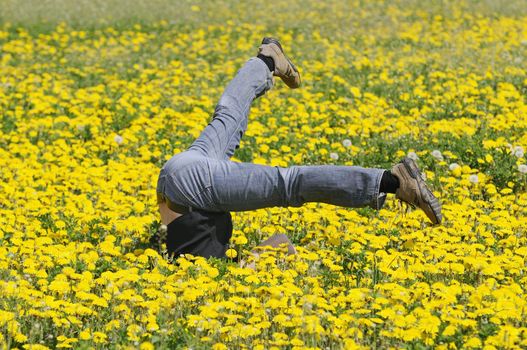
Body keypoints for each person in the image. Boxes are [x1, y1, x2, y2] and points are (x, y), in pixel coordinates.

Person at [153, 37, 442, 261]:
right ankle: (267, 59)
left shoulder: (209, 274)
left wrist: (262, 262)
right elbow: (279, 243)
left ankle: (394, 182)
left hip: (190, 188)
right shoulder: (188, 258)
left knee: (290, 184)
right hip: (176, 174)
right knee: (227, 116)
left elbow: (280, 245)